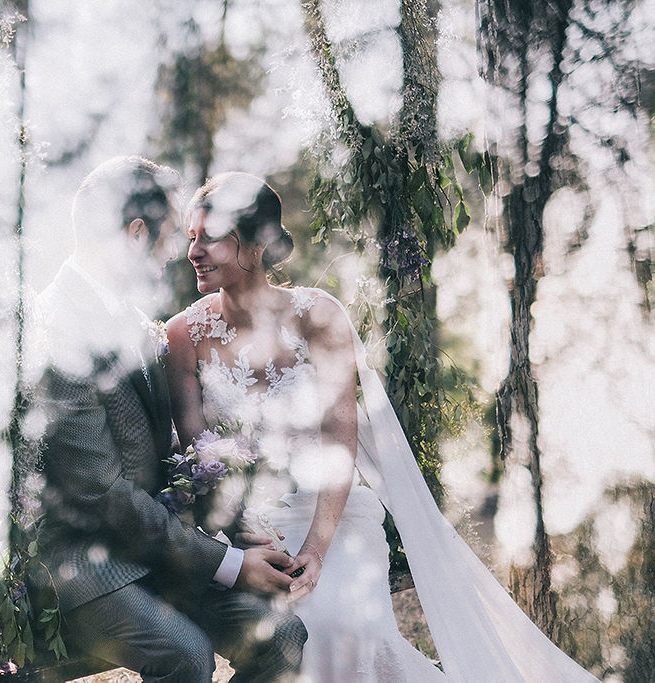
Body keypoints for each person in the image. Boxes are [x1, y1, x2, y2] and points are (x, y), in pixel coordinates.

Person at [164, 171, 600, 682]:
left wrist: (315, 552)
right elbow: (202, 459)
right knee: (295, 633)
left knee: (341, 624)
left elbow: (341, 441)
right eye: (191, 238)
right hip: (248, 532)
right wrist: (247, 539)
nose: (193, 252)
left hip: (333, 517)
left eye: (210, 237)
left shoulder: (319, 316)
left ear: (255, 242)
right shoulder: (183, 335)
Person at [26, 157, 307, 682]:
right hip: (85, 564)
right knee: (185, 654)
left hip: (153, 547)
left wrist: (237, 533)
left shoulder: (130, 315)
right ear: (136, 235)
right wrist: (228, 565)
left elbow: (166, 457)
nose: (176, 254)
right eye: (169, 238)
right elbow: (103, 494)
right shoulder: (58, 330)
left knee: (284, 637)